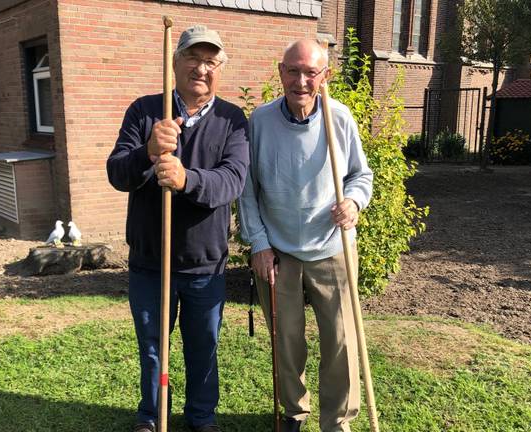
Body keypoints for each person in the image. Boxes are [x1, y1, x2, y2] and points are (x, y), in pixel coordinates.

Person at [107, 25, 249, 432]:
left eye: (211, 61)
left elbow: (232, 180)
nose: (201, 68)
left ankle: (201, 418)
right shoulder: (145, 111)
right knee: (153, 349)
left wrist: (187, 180)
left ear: (220, 68)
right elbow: (117, 172)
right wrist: (148, 152)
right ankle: (152, 416)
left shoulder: (232, 120)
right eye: (192, 57)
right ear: (174, 62)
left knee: (204, 348)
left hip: (205, 265)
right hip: (151, 262)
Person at [238, 39, 373, 432]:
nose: (301, 81)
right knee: (287, 341)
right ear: (280, 72)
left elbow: (360, 175)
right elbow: (247, 190)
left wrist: (353, 202)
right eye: (293, 71)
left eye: (310, 72)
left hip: (333, 248)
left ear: (325, 76)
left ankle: (337, 421)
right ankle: (294, 413)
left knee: (342, 342)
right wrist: (259, 244)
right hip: (278, 251)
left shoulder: (340, 117)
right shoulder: (259, 121)